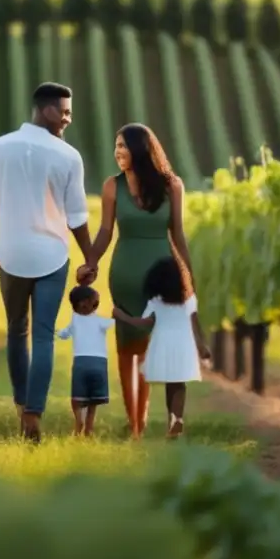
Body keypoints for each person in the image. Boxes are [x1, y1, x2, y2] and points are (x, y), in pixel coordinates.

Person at [0, 82, 97, 444]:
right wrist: (90, 257)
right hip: (52, 256)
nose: (69, 118)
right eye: (65, 111)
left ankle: (19, 404)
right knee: (43, 336)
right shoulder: (69, 156)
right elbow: (76, 217)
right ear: (46, 110)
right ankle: (33, 414)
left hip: (10, 256)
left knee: (17, 331)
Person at [76, 124, 196, 439]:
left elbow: (178, 234)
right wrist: (91, 261)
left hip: (161, 273)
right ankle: (136, 424)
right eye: (116, 146)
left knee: (151, 347)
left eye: (124, 146)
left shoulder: (172, 186)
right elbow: (104, 231)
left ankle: (150, 418)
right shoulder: (112, 186)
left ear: (141, 150)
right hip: (125, 273)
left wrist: (189, 273)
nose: (118, 152)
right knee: (127, 348)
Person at [112, 256, 210, 438]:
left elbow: (143, 323)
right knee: (179, 384)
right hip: (183, 345)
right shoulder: (189, 301)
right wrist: (202, 346)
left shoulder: (156, 302)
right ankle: (176, 418)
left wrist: (122, 316)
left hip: (163, 345)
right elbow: (196, 325)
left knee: (170, 384)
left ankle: (174, 421)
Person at [56, 285, 113, 436]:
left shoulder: (75, 320)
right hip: (100, 363)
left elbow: (64, 334)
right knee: (93, 399)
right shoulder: (100, 321)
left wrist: (55, 331)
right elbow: (112, 322)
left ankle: (78, 421)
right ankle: (88, 426)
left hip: (81, 363)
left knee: (78, 398)